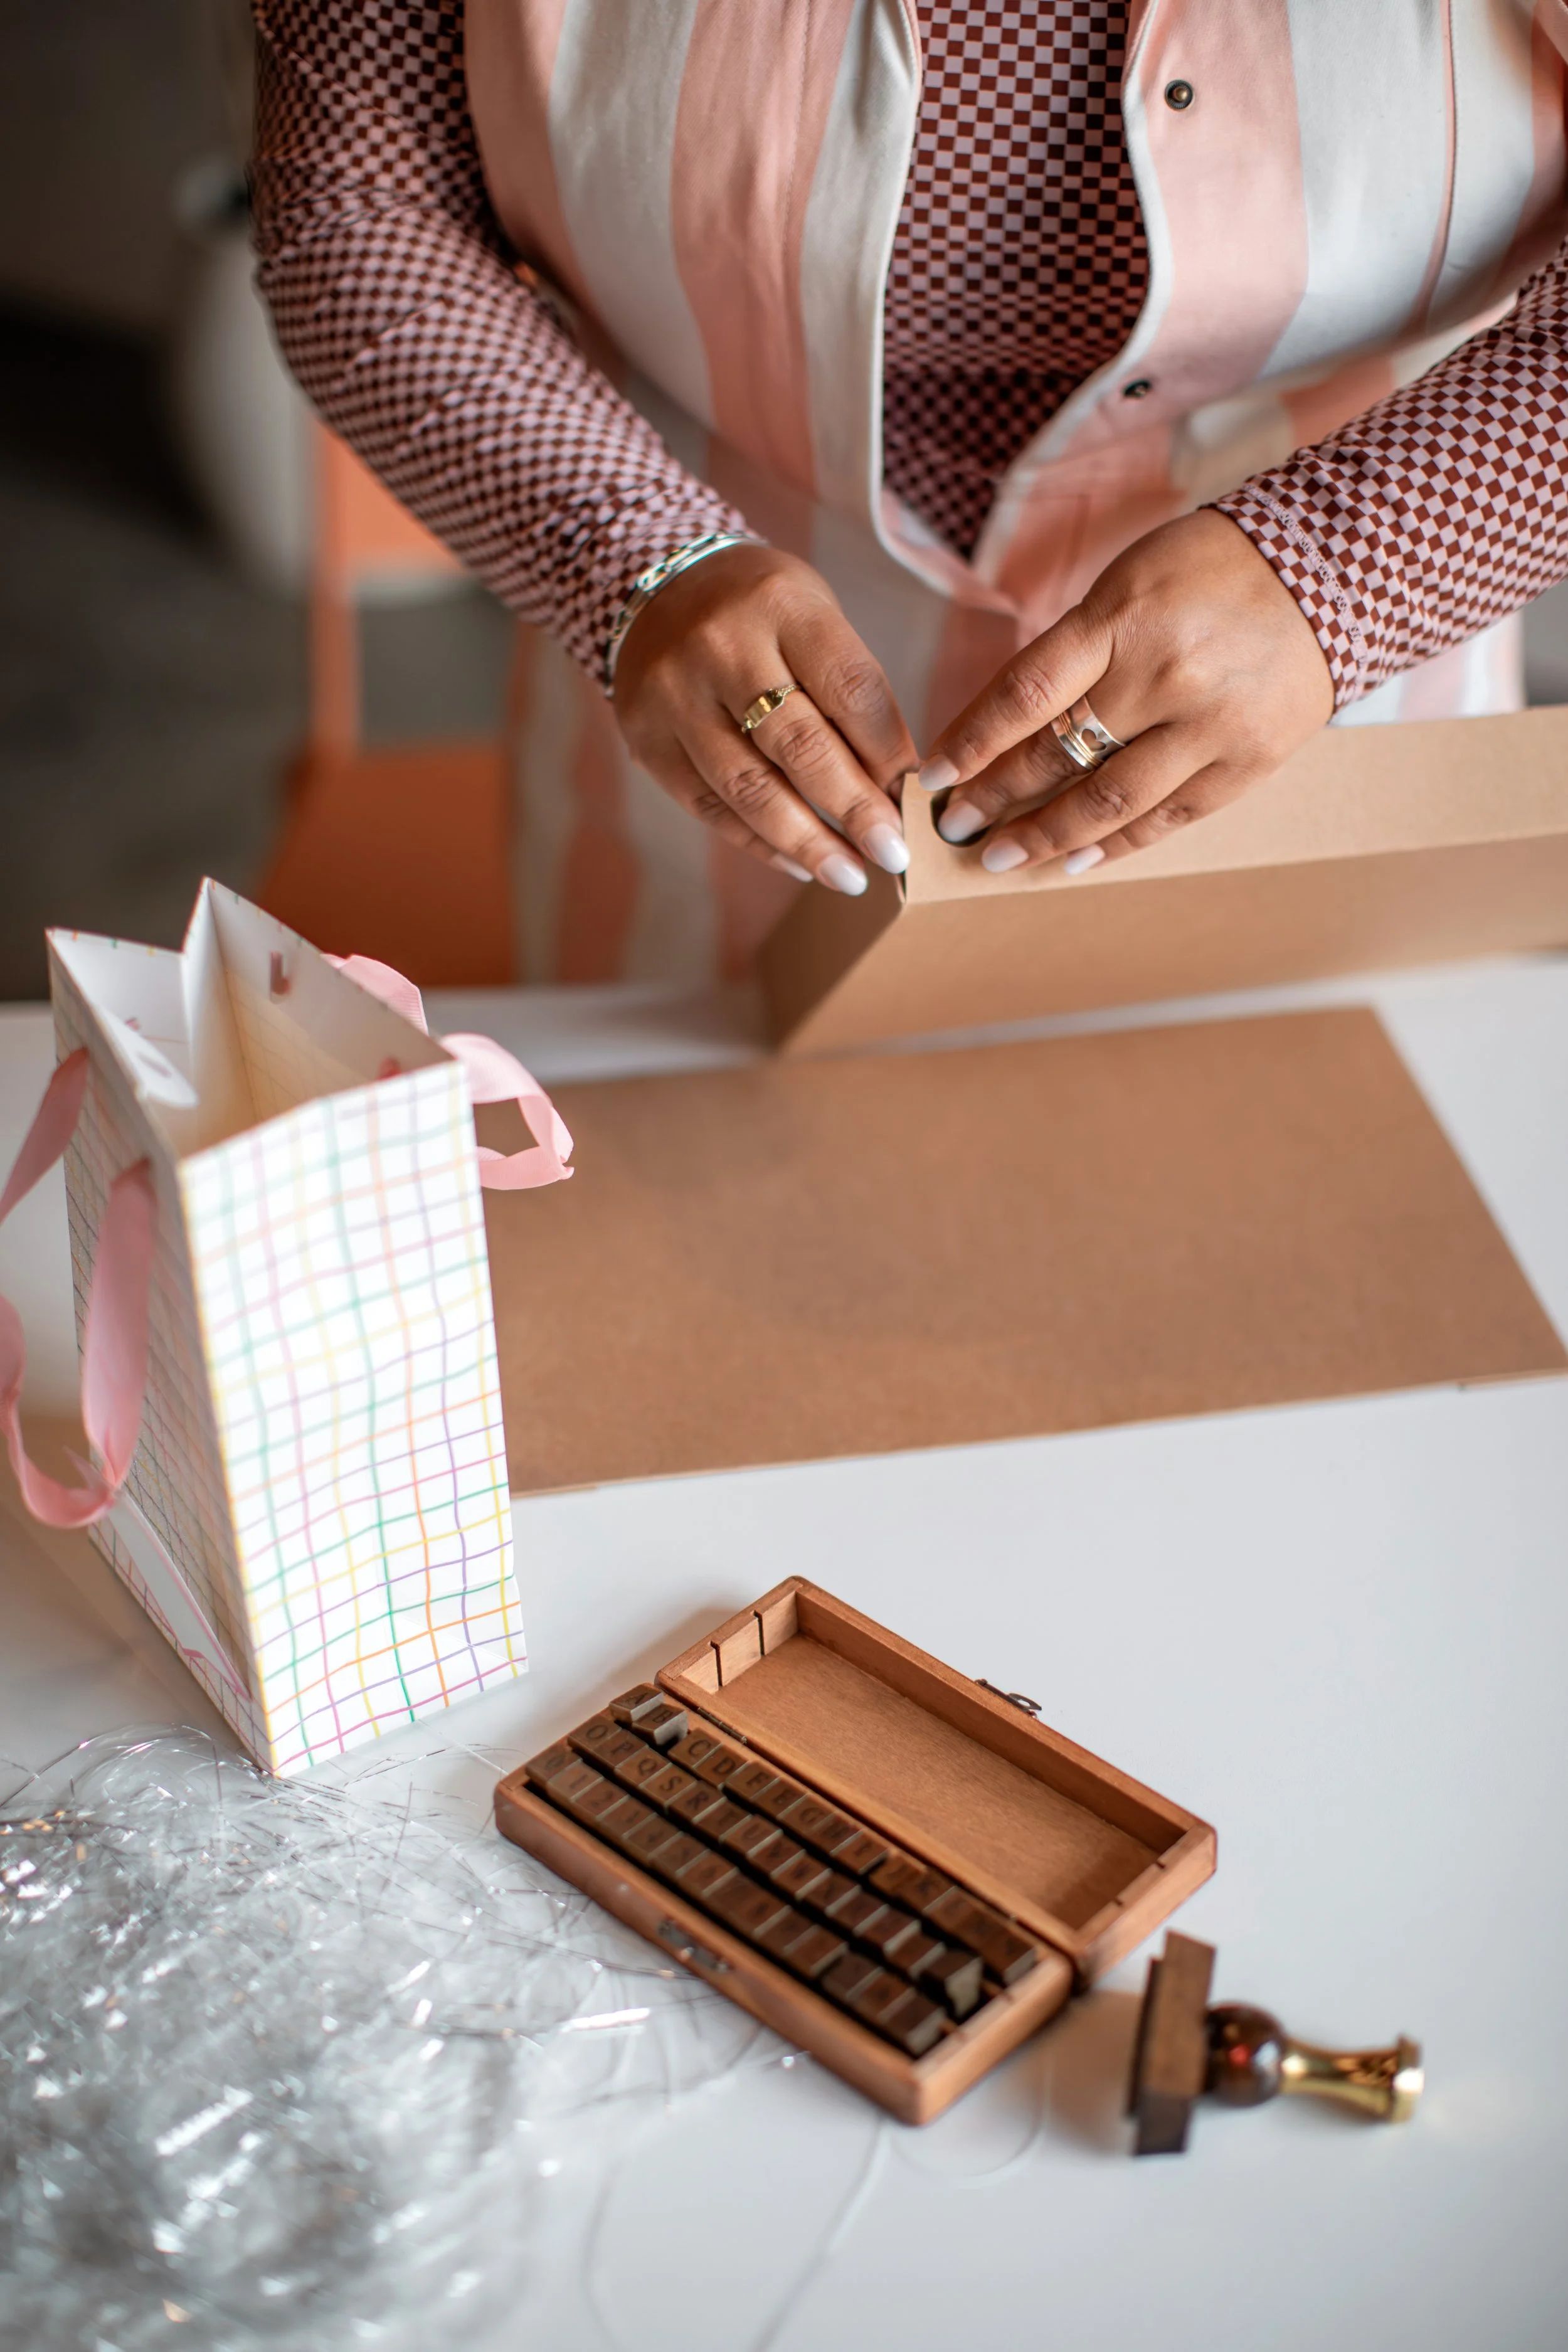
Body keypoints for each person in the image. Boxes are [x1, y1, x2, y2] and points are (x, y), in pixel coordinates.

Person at [251, 2, 1568, 982]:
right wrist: (633, 557)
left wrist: (1349, 567)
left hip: (1337, 758)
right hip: (704, 777)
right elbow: (357, 206)